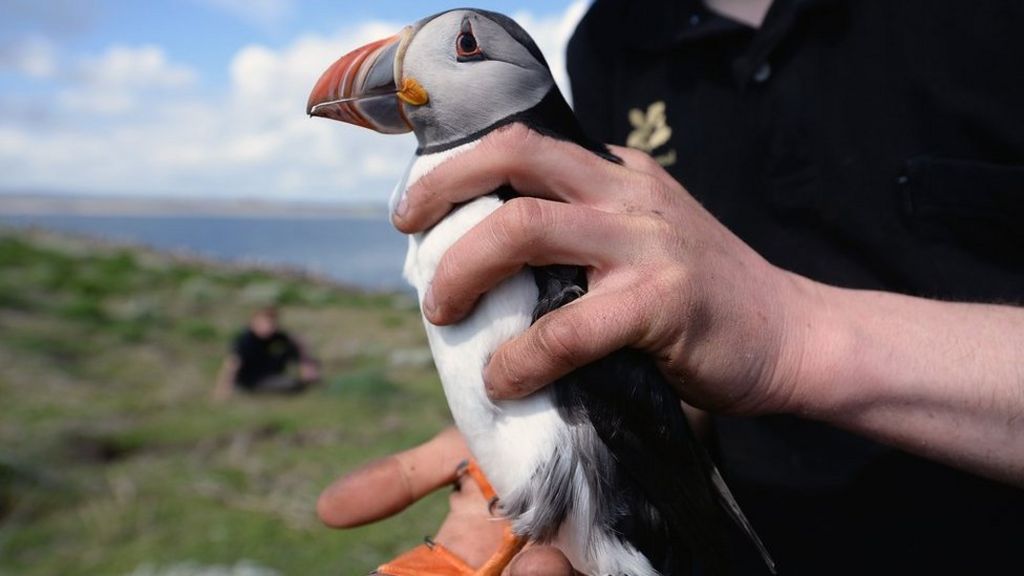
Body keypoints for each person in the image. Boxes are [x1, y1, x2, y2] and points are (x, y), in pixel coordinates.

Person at [318, 0, 1024, 574]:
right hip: (725, 528)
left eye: (465, 46)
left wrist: (791, 335)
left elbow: (738, 319)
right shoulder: (613, 38)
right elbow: (646, 334)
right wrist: (529, 442)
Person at [212, 306, 319, 400]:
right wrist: (222, 390)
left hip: (266, 371)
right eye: (264, 323)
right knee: (292, 386)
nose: (268, 327)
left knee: (290, 350)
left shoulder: (275, 335)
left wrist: (306, 365)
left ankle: (308, 380)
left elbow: (298, 342)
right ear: (254, 322)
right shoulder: (245, 340)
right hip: (250, 380)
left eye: (271, 323)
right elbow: (232, 364)